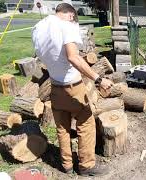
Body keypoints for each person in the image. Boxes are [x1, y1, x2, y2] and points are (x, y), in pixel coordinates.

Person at [31, 3, 113, 176]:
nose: (73, 20)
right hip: (73, 87)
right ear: (70, 14)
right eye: (73, 18)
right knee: (86, 123)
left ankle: (66, 165)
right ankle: (86, 166)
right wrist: (98, 79)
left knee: (62, 128)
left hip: (55, 86)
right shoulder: (66, 25)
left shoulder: (38, 28)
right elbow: (72, 56)